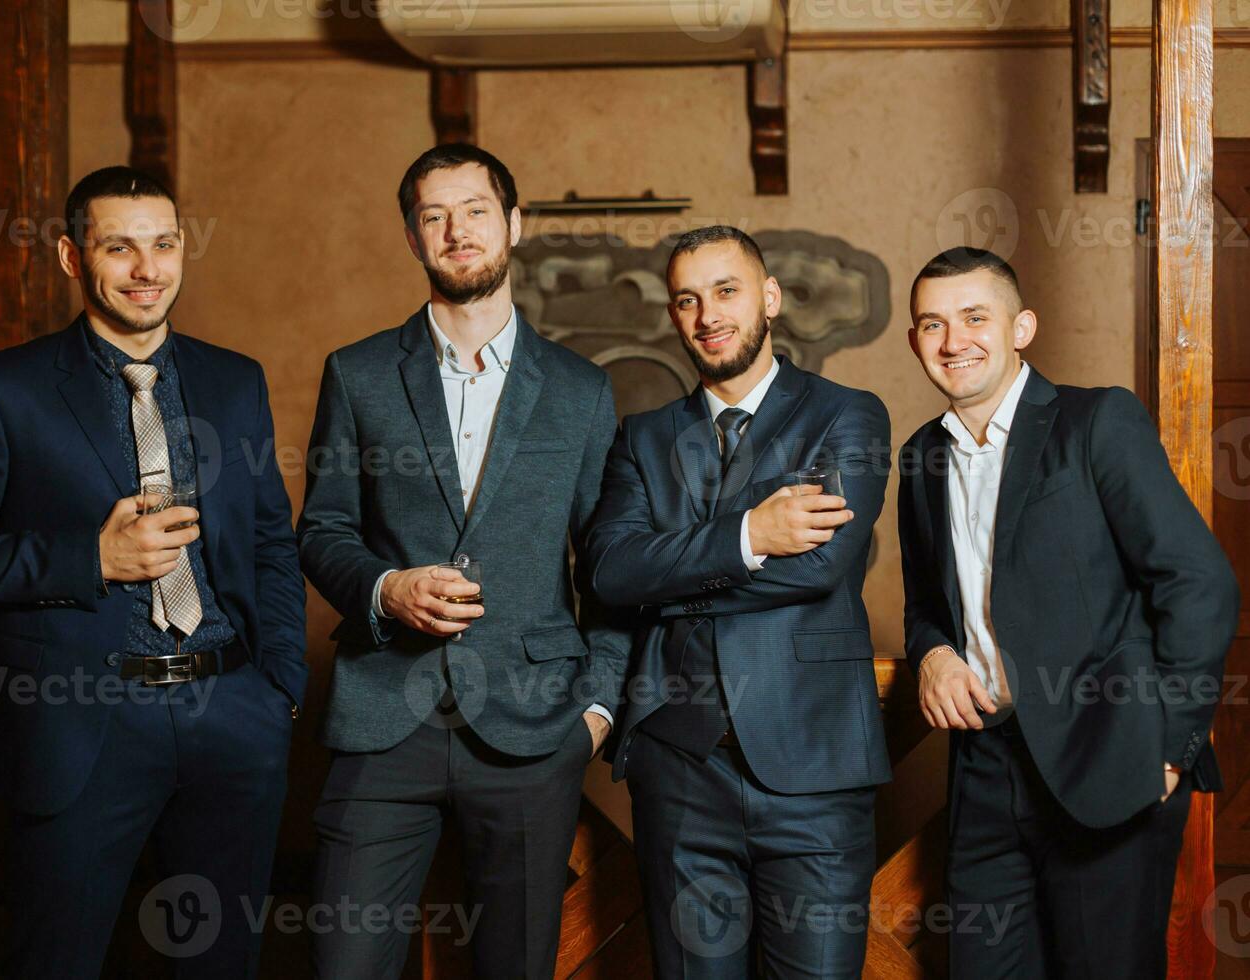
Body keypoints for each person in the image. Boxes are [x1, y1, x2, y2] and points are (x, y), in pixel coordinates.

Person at [0, 166, 306, 978]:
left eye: (162, 245)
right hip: (79, 720)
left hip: (231, 713)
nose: (146, 269)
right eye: (119, 247)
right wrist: (92, 558)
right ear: (69, 256)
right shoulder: (2, 389)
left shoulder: (235, 381)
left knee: (223, 962)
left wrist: (279, 690)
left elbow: (270, 544)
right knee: (55, 961)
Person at [295, 142, 629, 979]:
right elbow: (323, 529)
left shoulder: (582, 389)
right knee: (343, 964)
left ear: (513, 224)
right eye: (433, 215)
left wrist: (594, 711)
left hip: (532, 729)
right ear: (412, 237)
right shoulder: (360, 372)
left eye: (475, 209)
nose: (456, 230)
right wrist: (385, 587)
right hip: (383, 718)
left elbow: (610, 565)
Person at [897, 246, 1239, 979]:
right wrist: (930, 652)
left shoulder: (1095, 421)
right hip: (985, 770)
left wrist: (1171, 748)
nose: (953, 341)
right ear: (914, 341)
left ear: (1021, 327)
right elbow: (929, 603)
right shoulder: (918, 458)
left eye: (973, 317)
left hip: (1110, 760)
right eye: (932, 324)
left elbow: (1198, 580)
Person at [588, 225, 892, 978]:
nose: (707, 315)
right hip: (679, 774)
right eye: (687, 299)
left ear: (771, 298)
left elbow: (821, 565)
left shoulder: (845, 415)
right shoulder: (642, 438)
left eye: (726, 291)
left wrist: (669, 583)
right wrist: (751, 533)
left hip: (815, 772)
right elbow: (608, 572)